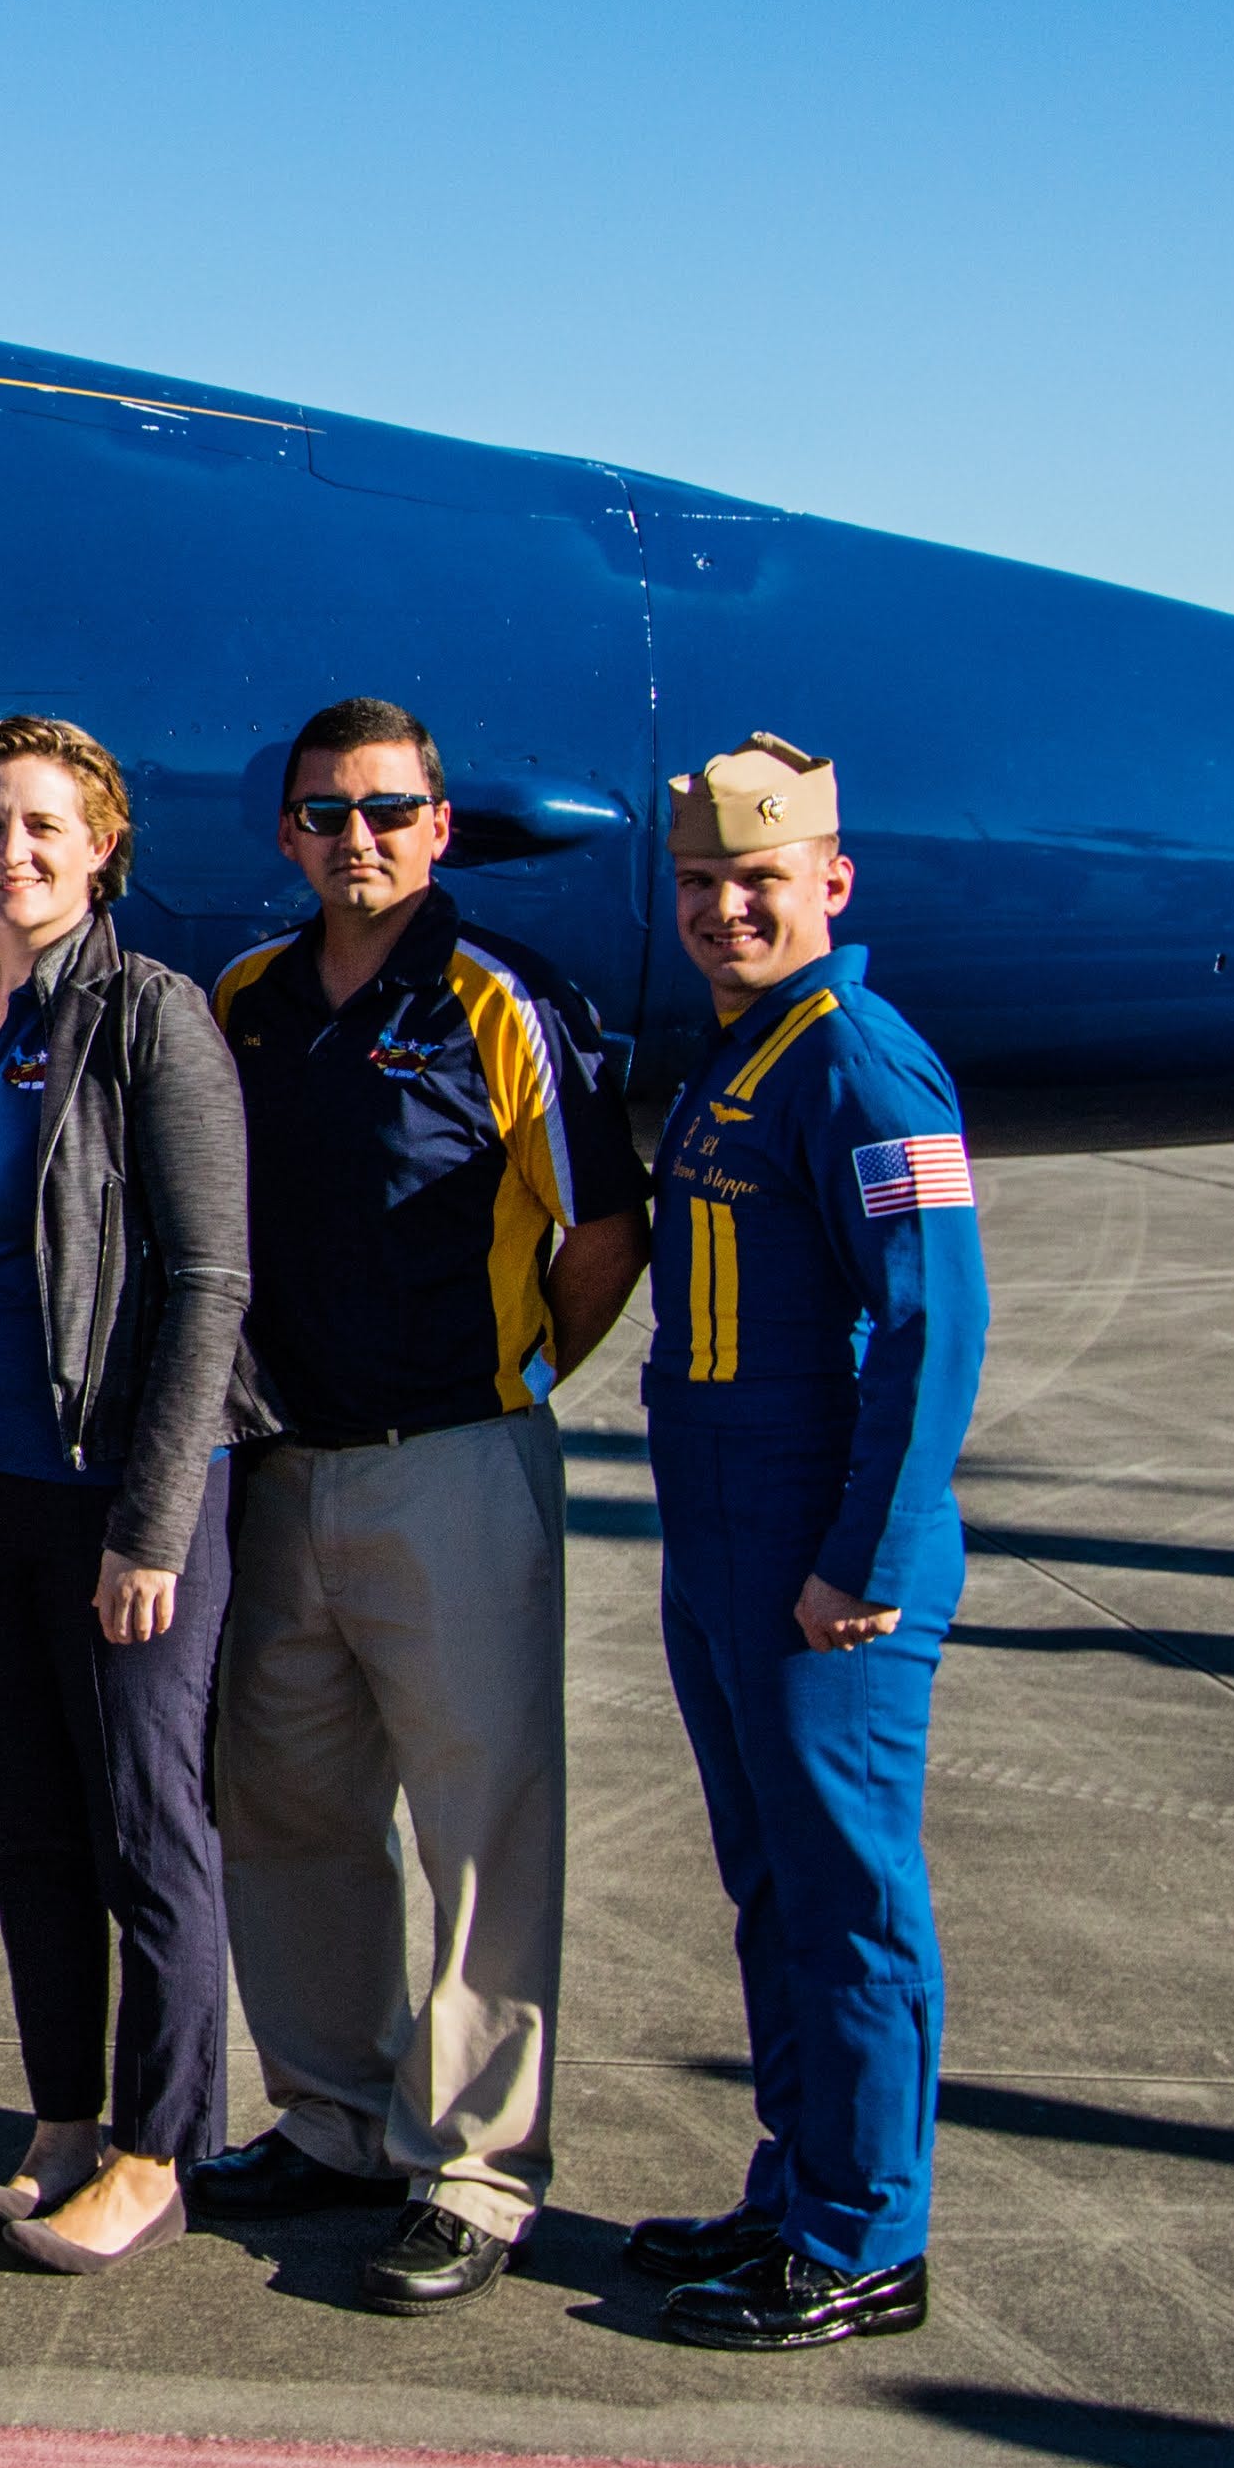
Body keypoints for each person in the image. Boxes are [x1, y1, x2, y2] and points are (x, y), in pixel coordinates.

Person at [186, 698, 644, 2313]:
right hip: (278, 1470)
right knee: (289, 1811)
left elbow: (604, 1232)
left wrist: (513, 1375)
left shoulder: (501, 997)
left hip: (452, 1465)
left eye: (387, 810)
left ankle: (473, 2167)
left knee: (480, 1827)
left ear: (441, 827)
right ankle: (335, 2118)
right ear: (288, 834)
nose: (356, 838)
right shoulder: (244, 999)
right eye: (325, 813)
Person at [0, 717, 265, 2276]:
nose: (15, 854)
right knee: (30, 1827)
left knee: (144, 1825)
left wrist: (151, 1525)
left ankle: (157, 2148)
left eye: (46, 826)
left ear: (103, 845)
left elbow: (211, 1283)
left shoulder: (152, 1016)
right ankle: (60, 2123)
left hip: (115, 1491)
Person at [628, 733, 985, 2351]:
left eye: (759, 881)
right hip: (723, 1532)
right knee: (773, 1883)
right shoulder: (750, 1048)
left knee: (850, 1897)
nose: (727, 911)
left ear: (831, 880)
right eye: (702, 884)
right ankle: (797, 2186)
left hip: (816, 1544)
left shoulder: (858, 1061)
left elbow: (935, 1325)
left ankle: (865, 2235)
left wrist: (869, 1561)